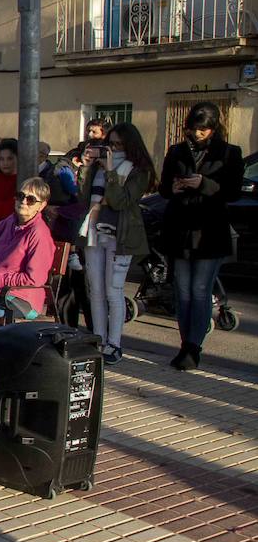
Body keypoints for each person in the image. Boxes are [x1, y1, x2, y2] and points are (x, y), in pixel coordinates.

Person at [159, 102, 244, 370]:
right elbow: (162, 188)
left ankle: (194, 347)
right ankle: (186, 344)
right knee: (182, 290)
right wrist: (174, 187)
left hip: (209, 231)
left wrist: (203, 184)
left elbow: (233, 192)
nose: (198, 134)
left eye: (204, 130)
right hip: (180, 230)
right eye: (194, 129)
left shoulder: (229, 153)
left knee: (200, 290)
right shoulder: (176, 151)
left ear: (214, 128)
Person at [80, 123, 154, 365]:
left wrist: (111, 172)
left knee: (114, 291)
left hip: (120, 236)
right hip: (94, 232)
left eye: (119, 144)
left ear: (130, 145)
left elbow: (119, 201)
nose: (113, 149)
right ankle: (98, 338)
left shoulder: (138, 170)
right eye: (110, 144)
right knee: (96, 291)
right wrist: (86, 168)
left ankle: (114, 343)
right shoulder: (100, 167)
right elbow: (83, 198)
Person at [0, 178, 55, 340]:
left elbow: (34, 279)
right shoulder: (11, 221)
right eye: (20, 196)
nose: (23, 201)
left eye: (30, 199)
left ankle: (5, 346)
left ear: (41, 205)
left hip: (20, 299)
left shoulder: (39, 234)